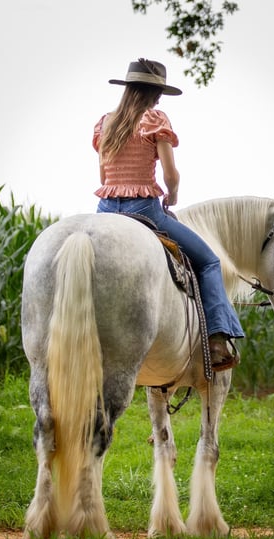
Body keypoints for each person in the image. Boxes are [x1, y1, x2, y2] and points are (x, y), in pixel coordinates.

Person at [93, 58, 244, 371]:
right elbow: (170, 173)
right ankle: (217, 337)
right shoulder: (155, 120)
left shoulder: (105, 123)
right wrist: (172, 194)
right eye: (158, 91)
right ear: (151, 92)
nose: (159, 98)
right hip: (144, 210)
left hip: (105, 211)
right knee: (209, 261)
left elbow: (102, 178)